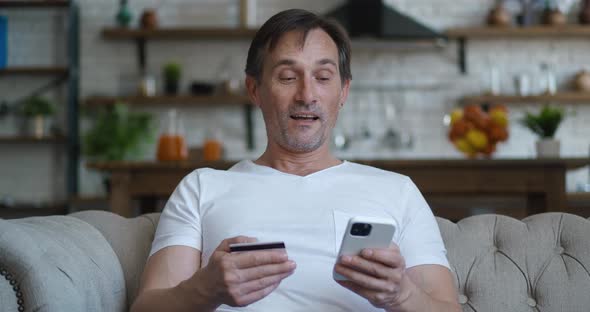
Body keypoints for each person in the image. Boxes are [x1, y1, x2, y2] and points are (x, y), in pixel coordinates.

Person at [131, 8, 460, 312]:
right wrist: (206, 289)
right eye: (288, 77)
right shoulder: (202, 187)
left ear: (343, 91)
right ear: (255, 89)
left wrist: (401, 294)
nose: (307, 94)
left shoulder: (398, 191)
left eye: (323, 77)